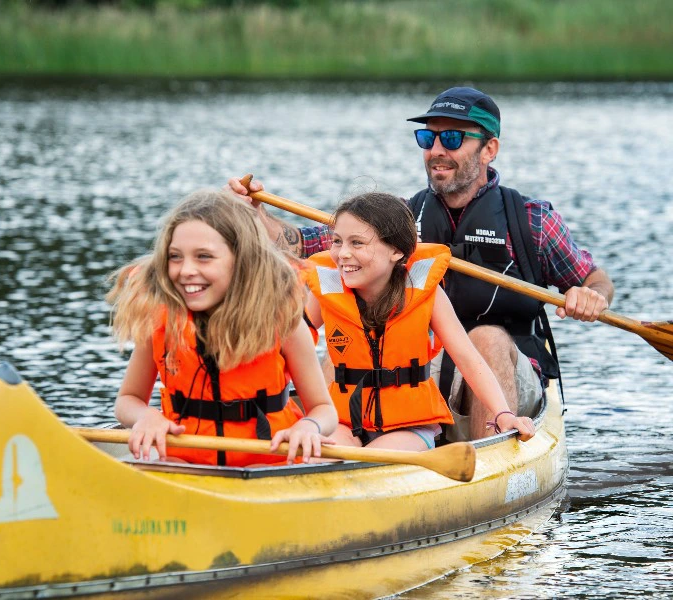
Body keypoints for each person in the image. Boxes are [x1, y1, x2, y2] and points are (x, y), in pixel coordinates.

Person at [228, 86, 614, 442]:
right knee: (347, 334)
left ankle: (489, 458)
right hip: (417, 363)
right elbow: (301, 245)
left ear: (490, 149)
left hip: (507, 369)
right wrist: (258, 216)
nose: (436, 150)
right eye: (428, 138)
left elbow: (594, 279)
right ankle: (330, 439)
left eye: (452, 138)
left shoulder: (532, 220)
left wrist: (591, 296)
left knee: (487, 337)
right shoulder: (398, 219)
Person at [107, 189, 338, 467]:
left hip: (267, 465)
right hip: (184, 461)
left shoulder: (283, 322)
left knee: (257, 470)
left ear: (241, 261)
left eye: (204, 257)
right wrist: (145, 416)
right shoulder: (159, 320)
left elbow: (324, 410)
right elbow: (128, 400)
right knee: (168, 467)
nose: (186, 270)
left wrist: (309, 426)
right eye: (175, 257)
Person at [301, 191, 534, 450]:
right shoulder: (328, 289)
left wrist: (503, 413)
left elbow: (468, 359)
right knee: (325, 453)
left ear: (397, 252)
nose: (342, 254)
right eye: (336, 241)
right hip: (345, 420)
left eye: (357, 243)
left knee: (373, 461)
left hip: (408, 426)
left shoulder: (427, 294)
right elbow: (289, 342)